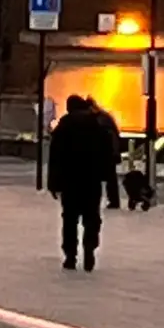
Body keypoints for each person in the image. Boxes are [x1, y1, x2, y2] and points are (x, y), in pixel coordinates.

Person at [46, 95, 116, 272]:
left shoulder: (63, 128)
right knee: (91, 217)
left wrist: (53, 183)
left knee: (69, 219)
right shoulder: (97, 126)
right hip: (91, 180)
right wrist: (106, 177)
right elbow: (107, 153)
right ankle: (89, 249)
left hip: (69, 180)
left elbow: (55, 157)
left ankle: (70, 255)